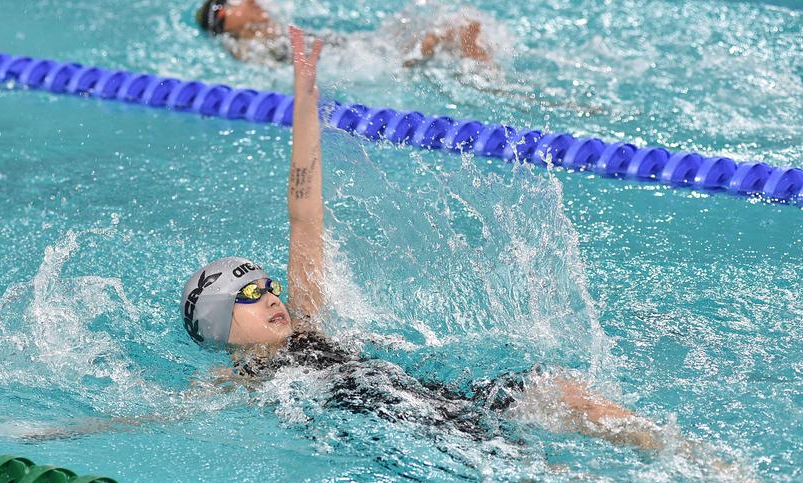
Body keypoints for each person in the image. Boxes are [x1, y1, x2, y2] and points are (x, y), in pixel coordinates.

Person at [180, 26, 666, 451]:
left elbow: (305, 217)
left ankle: (690, 457)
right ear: (217, 323)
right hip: (416, 436)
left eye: (269, 286)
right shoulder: (237, 381)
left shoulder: (307, 323)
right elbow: (169, 415)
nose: (269, 297)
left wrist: (306, 101)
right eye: (248, 293)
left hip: (442, 401)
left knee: (557, 388)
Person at [193, 0, 493, 68]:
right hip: (361, 63)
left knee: (453, 30)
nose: (249, 1)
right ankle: (490, 79)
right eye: (234, 2)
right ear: (224, 17)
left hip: (361, 50)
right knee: (448, 32)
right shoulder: (253, 48)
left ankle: (483, 73)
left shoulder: (269, 31)